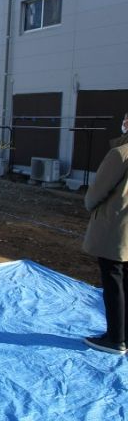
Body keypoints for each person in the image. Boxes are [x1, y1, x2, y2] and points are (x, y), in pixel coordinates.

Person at [83, 142, 128, 355]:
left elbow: (98, 190)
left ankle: (116, 338)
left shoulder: (120, 154)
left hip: (117, 225)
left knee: (113, 279)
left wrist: (90, 204)